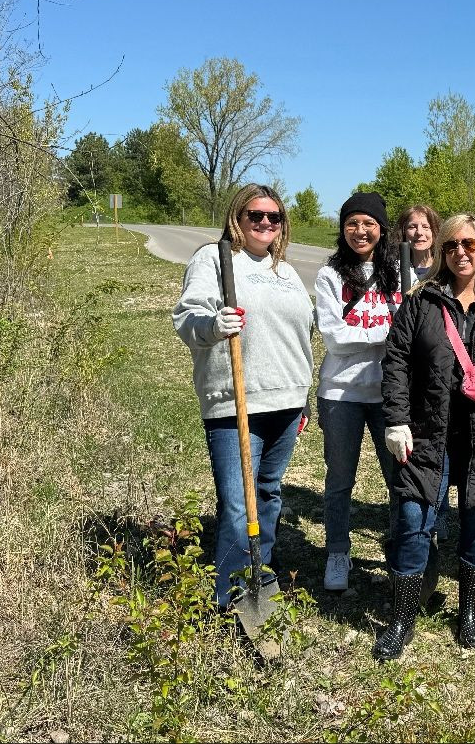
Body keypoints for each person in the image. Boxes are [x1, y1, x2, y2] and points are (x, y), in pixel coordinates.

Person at [374, 213, 475, 659]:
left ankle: (469, 609)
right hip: (428, 432)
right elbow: (396, 363)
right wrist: (396, 419)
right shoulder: (421, 302)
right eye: (452, 246)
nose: (461, 253)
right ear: (442, 252)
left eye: (469, 244)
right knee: (412, 520)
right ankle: (403, 615)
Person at [172, 183, 314, 611]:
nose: (266, 223)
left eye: (274, 217)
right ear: (239, 216)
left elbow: (299, 336)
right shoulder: (215, 258)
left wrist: (303, 395)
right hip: (237, 401)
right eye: (256, 215)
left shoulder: (284, 269)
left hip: (287, 400)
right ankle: (229, 599)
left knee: (268, 492)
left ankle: (259, 575)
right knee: (237, 503)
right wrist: (214, 325)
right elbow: (187, 316)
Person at [315, 192, 403, 592]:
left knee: (399, 478)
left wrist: (368, 338)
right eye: (352, 223)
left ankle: (403, 547)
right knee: (340, 479)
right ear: (342, 228)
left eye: (369, 223)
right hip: (341, 394)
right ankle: (337, 550)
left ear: (382, 229)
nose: (360, 230)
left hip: (390, 394)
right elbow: (333, 338)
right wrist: (387, 333)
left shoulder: (399, 273)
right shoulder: (329, 275)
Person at [396, 204, 440, 286]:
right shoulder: (395, 271)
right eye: (412, 227)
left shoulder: (445, 269)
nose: (419, 232)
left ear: (434, 232)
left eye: (425, 227)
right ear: (403, 232)